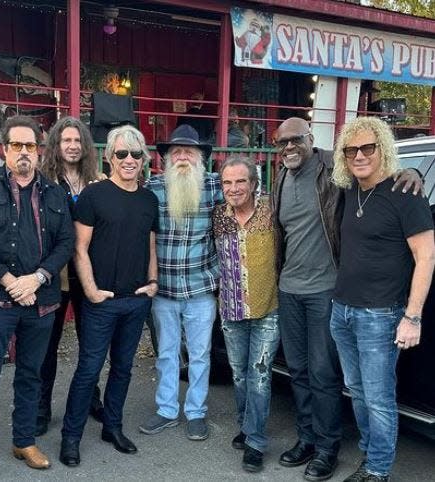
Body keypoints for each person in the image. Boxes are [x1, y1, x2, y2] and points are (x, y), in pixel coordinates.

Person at [272, 117, 422, 482]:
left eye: (296, 140)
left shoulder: (332, 172)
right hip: (294, 290)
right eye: (281, 142)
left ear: (311, 138)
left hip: (328, 290)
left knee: (326, 375)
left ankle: (327, 448)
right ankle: (306, 438)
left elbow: (379, 175)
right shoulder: (284, 178)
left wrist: (414, 170)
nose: (289, 147)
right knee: (300, 370)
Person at [0, 115, 74, 481]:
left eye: (30, 146)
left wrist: (36, 278)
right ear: (4, 149)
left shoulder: (54, 192)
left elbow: (66, 242)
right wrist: (10, 281)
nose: (24, 152)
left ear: (39, 151)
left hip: (41, 301)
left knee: (30, 376)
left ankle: (24, 441)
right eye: (17, 145)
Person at [330, 117, 435, 482]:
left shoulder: (407, 195)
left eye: (368, 148)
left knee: (378, 397)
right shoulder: (348, 191)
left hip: (380, 315)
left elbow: (426, 256)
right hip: (341, 310)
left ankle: (377, 470)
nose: (359, 155)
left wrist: (412, 317)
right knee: (357, 392)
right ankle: (369, 453)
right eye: (351, 150)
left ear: (383, 149)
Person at [59, 125, 158, 467]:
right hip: (101, 302)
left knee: (123, 369)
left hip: (136, 300)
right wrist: (90, 291)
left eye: (135, 154)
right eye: (121, 153)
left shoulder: (149, 199)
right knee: (88, 370)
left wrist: (153, 281)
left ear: (144, 159)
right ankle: (70, 437)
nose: (128, 160)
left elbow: (149, 242)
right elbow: (79, 248)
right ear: (108, 156)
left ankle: (111, 427)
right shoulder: (93, 196)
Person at [139, 124, 221, 441]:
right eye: (177, 151)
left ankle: (196, 412)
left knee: (200, 354)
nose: (183, 156)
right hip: (164, 290)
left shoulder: (216, 187)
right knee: (167, 353)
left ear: (201, 157)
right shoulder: (153, 188)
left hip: (201, 289)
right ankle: (167, 410)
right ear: (167, 158)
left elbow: (250, 193)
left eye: (189, 150)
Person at [36, 116, 104, 437]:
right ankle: (41, 407)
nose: (73, 146)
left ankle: (92, 398)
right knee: (47, 346)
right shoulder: (44, 181)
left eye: (77, 141)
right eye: (66, 141)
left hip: (90, 272)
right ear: (56, 145)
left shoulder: (97, 180)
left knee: (90, 343)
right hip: (57, 275)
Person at [213, 157, 279, 473]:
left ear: (254, 184)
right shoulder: (217, 216)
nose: (234, 188)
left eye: (241, 181)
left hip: (268, 307)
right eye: (227, 182)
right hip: (231, 308)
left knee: (260, 374)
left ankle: (255, 441)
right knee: (239, 373)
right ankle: (245, 425)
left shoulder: (272, 213)